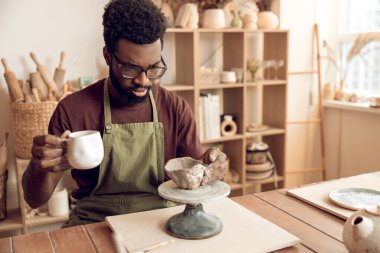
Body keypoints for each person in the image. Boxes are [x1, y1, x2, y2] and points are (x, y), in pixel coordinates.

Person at [22, 0, 227, 227]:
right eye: (131, 68)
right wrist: (38, 166)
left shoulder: (175, 108)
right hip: (95, 222)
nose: (143, 80)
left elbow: (197, 182)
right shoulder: (73, 109)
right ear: (108, 56)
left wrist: (213, 169)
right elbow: (34, 199)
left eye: (154, 68)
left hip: (161, 221)